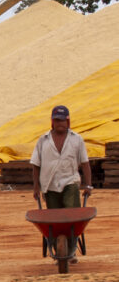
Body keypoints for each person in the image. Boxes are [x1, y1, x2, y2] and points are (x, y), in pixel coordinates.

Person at [31, 104, 93, 259]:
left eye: (63, 120)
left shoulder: (76, 139)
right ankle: (56, 248)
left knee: (72, 215)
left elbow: (85, 163)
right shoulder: (43, 141)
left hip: (70, 182)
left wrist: (88, 184)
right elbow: (36, 165)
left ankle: (71, 250)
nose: (60, 124)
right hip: (49, 185)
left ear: (68, 121)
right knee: (54, 219)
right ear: (52, 121)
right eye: (57, 120)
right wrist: (36, 187)